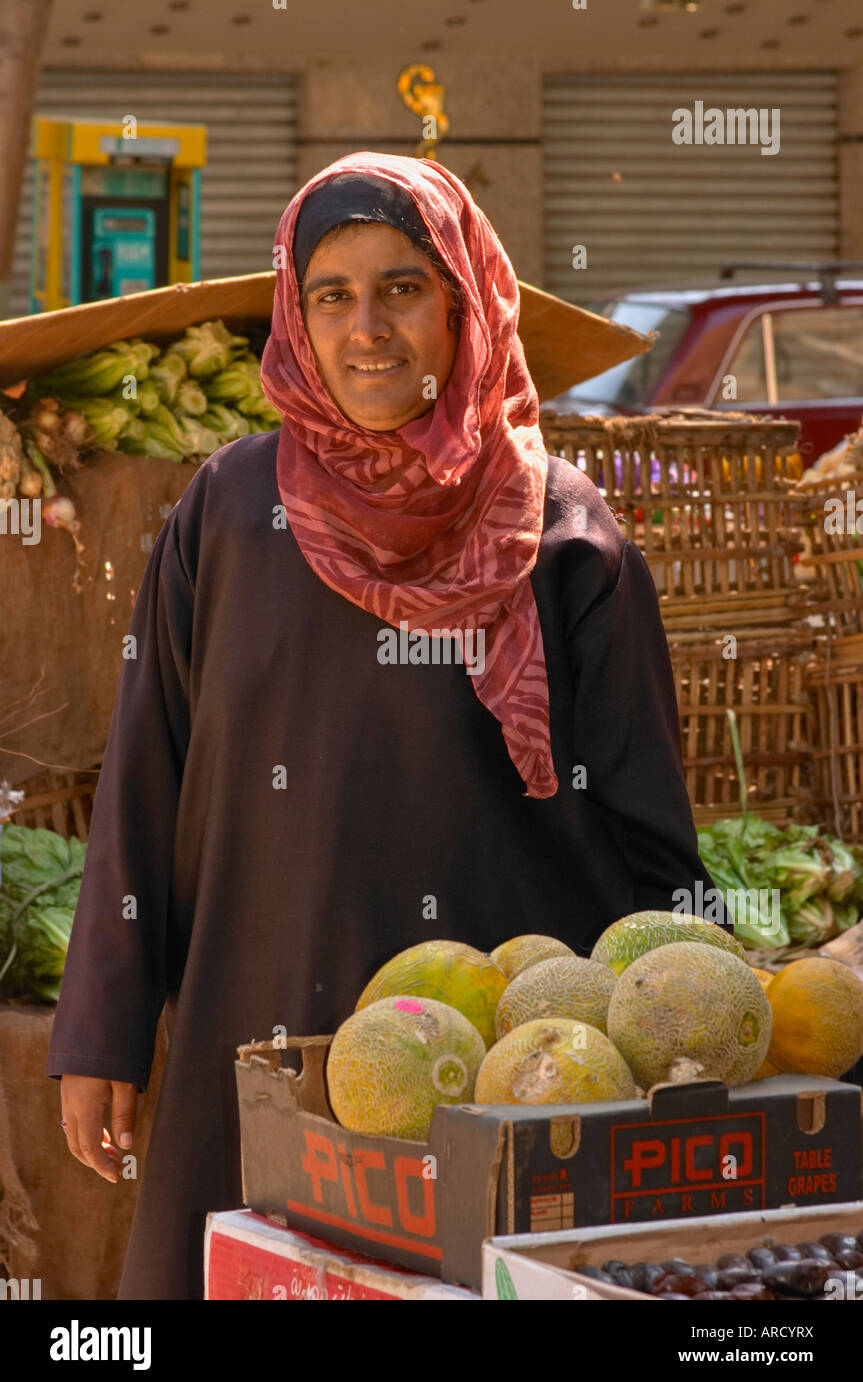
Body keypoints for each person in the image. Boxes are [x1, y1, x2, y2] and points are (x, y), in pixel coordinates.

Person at [47, 152, 714, 1300]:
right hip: (251, 1031)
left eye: (402, 288)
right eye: (330, 294)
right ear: (294, 318)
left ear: (466, 300)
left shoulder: (561, 531)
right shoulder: (226, 508)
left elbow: (646, 829)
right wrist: (100, 1028)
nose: (366, 329)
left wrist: (670, 1050)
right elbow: (142, 780)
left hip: (494, 1069)